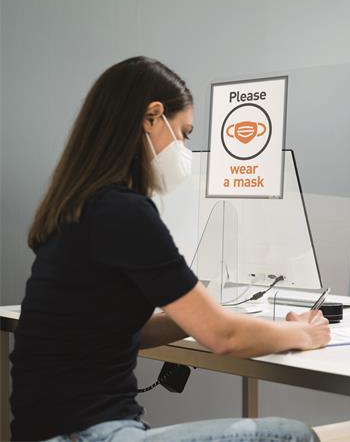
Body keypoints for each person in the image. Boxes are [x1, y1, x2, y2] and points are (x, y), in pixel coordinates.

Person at [10, 56, 329, 442]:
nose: (185, 148)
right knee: (293, 436)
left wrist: (199, 314)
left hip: (50, 430)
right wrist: (302, 333)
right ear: (152, 117)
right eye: (184, 132)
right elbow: (224, 338)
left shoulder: (77, 208)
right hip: (90, 433)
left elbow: (122, 330)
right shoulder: (124, 211)